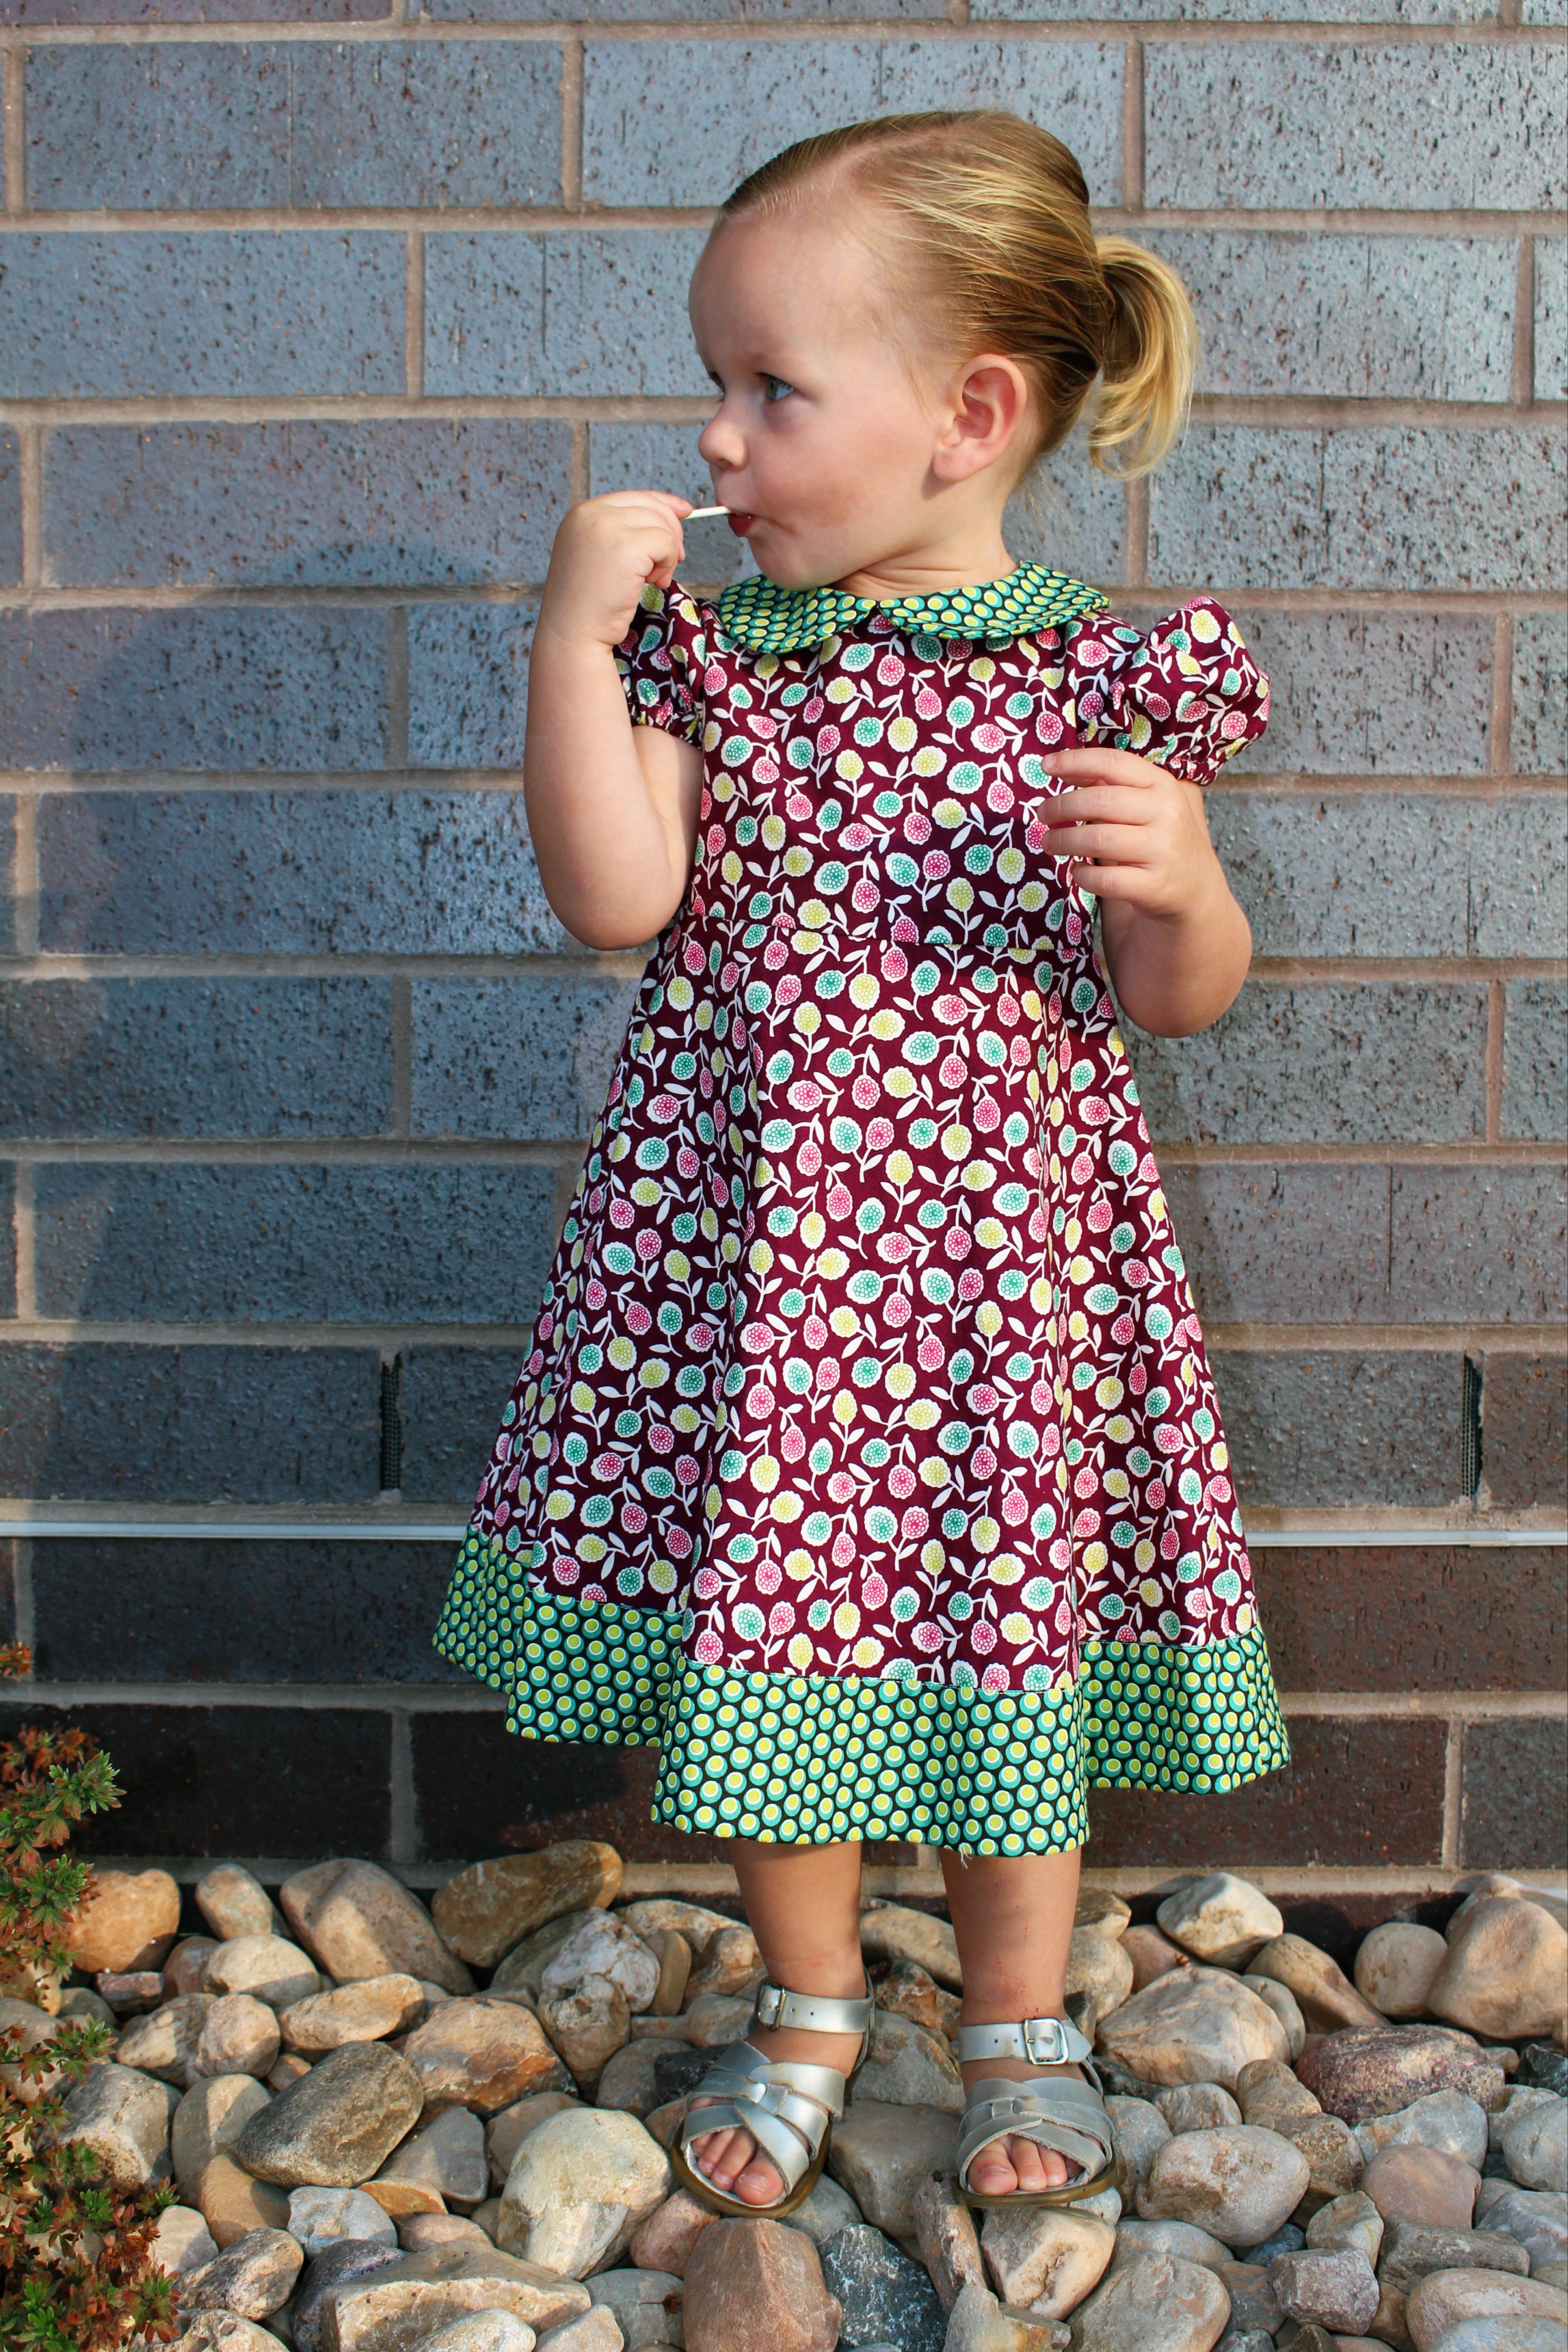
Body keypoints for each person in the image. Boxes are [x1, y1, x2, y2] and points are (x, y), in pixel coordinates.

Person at [435, 108, 1290, 2221]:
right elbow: (616, 894)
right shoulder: (717, 659)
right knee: (772, 1616)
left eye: (770, 387)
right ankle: (811, 1997)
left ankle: (1013, 2014)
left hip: (999, 1279)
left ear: (965, 418)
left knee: (1009, 1626)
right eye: (713, 382)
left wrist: (1180, 880)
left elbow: (1177, 995)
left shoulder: (1102, 676)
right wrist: (571, 644)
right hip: (759, 1265)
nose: (715, 438)